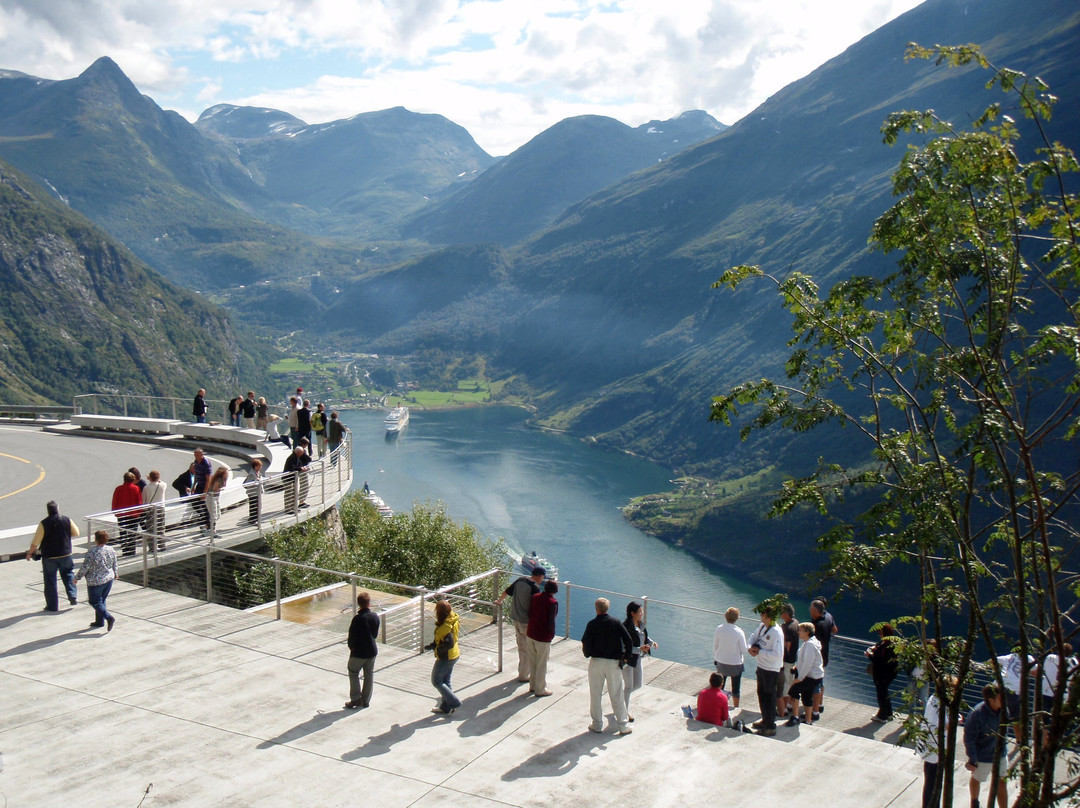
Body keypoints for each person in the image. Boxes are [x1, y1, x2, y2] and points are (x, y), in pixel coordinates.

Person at [581, 597, 634, 735]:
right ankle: (622, 725)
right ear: (607, 608)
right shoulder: (615, 622)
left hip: (596, 662)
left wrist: (587, 654)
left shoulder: (591, 624)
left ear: (596, 608)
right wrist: (625, 658)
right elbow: (628, 640)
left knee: (595, 694)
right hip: (613, 663)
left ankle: (597, 724)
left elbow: (585, 641)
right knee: (616, 693)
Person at [25, 500, 80, 611]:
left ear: (48, 511)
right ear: (58, 509)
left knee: (50, 580)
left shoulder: (43, 523)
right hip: (66, 553)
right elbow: (76, 533)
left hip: (50, 556)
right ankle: (72, 596)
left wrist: (30, 553)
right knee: (68, 574)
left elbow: (36, 541)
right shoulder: (67, 520)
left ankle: (52, 606)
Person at [496, 567, 546, 683]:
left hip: (515, 618)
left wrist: (499, 601)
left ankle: (521, 670)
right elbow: (535, 606)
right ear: (539, 576)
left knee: (521, 646)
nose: (542, 580)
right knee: (528, 649)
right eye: (542, 577)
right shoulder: (535, 588)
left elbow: (506, 591)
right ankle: (524, 675)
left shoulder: (520, 580)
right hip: (526, 622)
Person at [964, 683, 1009, 808]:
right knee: (977, 778)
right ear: (991, 700)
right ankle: (974, 801)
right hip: (983, 756)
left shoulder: (1004, 711)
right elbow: (969, 738)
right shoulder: (977, 714)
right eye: (1001, 698)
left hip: (1000, 754)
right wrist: (972, 759)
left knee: (1002, 782)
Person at [917, 675, 958, 808]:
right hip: (933, 748)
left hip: (936, 747)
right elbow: (934, 725)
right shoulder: (935, 702)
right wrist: (952, 723)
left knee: (935, 782)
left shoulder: (938, 700)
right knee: (932, 783)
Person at [747, 605, 784, 736]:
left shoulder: (776, 632)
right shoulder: (763, 627)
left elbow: (777, 654)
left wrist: (760, 652)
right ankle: (765, 719)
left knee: (769, 696)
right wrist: (750, 647)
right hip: (761, 666)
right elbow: (753, 637)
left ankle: (771, 725)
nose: (760, 616)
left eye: (762, 614)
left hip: (771, 668)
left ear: (768, 617)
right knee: (761, 694)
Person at [74, 530, 118, 631]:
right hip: (109, 579)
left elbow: (85, 567)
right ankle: (99, 621)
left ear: (96, 540)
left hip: (95, 581)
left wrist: (77, 578)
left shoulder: (92, 552)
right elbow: (115, 562)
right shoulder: (111, 549)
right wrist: (116, 573)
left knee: (94, 601)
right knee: (102, 600)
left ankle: (109, 618)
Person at [622, 601, 657, 721]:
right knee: (628, 686)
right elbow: (623, 647)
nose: (642, 614)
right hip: (628, 660)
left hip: (637, 658)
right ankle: (623, 712)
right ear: (632, 613)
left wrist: (651, 643)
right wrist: (639, 648)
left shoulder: (640, 625)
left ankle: (620, 703)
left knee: (637, 684)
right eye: (640, 612)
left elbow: (644, 636)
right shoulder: (626, 627)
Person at [425, 600, 462, 714]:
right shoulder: (452, 619)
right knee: (446, 680)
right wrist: (433, 645)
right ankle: (446, 707)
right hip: (454, 654)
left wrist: (437, 649)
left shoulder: (445, 627)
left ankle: (454, 702)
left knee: (436, 681)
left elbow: (448, 643)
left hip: (446, 657)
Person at [345, 592, 381, 709]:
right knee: (369, 674)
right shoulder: (375, 616)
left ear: (358, 604)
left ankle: (355, 699)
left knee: (353, 672)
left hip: (358, 653)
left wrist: (352, 648)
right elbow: (374, 635)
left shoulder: (357, 619)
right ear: (369, 603)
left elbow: (351, 638)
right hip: (372, 651)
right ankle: (365, 701)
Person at [786, 622, 824, 726]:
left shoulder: (810, 645)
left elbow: (808, 663)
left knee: (793, 691)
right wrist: (797, 667)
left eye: (800, 631)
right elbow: (804, 661)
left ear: (807, 632)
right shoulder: (809, 642)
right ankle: (808, 720)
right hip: (813, 676)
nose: (798, 632)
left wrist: (800, 677)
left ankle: (795, 716)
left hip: (810, 676)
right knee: (806, 695)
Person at [526, 580, 559, 696]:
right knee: (542, 663)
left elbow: (529, 613)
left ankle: (532, 686)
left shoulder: (535, 597)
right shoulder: (552, 602)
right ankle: (540, 689)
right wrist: (551, 634)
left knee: (532, 661)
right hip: (543, 637)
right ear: (555, 590)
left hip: (530, 632)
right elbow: (551, 622)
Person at [713, 606, 749, 707]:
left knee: (720, 686)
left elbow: (715, 646)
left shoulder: (719, 629)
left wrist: (716, 659)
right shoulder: (739, 632)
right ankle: (736, 706)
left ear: (726, 616)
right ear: (736, 618)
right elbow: (744, 650)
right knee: (736, 688)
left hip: (721, 662)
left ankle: (718, 704)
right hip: (735, 664)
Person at [810, 598, 838, 717]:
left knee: (814, 682)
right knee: (820, 680)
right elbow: (835, 630)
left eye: (811, 608)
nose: (810, 610)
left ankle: (814, 710)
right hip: (825, 654)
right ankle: (820, 704)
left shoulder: (816, 624)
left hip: (816, 657)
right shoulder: (829, 617)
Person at [867, 624, 900, 722]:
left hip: (882, 673)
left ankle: (882, 716)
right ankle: (888, 713)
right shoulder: (892, 643)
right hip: (890, 673)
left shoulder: (885, 646)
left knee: (881, 694)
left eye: (880, 632)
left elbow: (879, 661)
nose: (879, 635)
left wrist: (869, 655)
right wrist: (876, 647)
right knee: (885, 692)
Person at [112, 471, 144, 556]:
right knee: (132, 533)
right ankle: (131, 550)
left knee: (123, 532)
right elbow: (139, 501)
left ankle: (125, 550)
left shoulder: (118, 488)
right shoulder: (136, 488)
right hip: (133, 514)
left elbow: (115, 500)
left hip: (122, 514)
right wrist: (140, 512)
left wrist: (115, 511)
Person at [777, 603, 799, 721]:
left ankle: (784, 708)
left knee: (785, 683)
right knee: (790, 681)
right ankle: (790, 704)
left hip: (786, 660)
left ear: (785, 614)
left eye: (781, 613)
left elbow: (787, 647)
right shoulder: (796, 623)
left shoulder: (787, 628)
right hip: (793, 659)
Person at [142, 470, 167, 550]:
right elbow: (162, 482)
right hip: (161, 508)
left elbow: (144, 500)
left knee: (150, 528)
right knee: (161, 527)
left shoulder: (146, 488)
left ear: (150, 478)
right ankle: (162, 545)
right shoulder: (163, 485)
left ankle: (152, 547)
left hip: (151, 509)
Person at [283, 443, 311, 511]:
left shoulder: (296, 457)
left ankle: (293, 508)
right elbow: (292, 467)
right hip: (288, 478)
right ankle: (288, 509)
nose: (302, 455)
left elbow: (300, 464)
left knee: (293, 494)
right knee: (289, 494)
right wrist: (300, 469)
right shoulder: (292, 458)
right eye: (301, 453)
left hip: (292, 479)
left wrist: (302, 468)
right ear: (298, 453)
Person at [192, 448, 213, 532]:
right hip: (199, 485)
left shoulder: (206, 463)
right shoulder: (196, 461)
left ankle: (208, 524)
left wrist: (205, 493)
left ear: (202, 454)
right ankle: (204, 520)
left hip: (205, 486)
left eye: (197, 455)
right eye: (195, 455)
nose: (196, 457)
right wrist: (194, 485)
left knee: (205, 505)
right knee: (195, 502)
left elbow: (209, 479)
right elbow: (196, 474)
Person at [205, 465, 229, 537]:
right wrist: (220, 489)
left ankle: (210, 529)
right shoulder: (218, 479)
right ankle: (212, 531)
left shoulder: (223, 479)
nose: (227, 475)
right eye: (225, 473)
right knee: (214, 515)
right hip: (211, 498)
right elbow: (214, 489)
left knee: (217, 514)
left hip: (216, 497)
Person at [243, 459, 263, 526]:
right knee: (253, 506)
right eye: (259, 466)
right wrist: (255, 481)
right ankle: (253, 520)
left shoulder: (257, 473)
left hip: (256, 492)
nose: (260, 468)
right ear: (255, 466)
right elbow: (248, 484)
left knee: (257, 505)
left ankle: (256, 519)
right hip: (252, 493)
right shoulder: (252, 474)